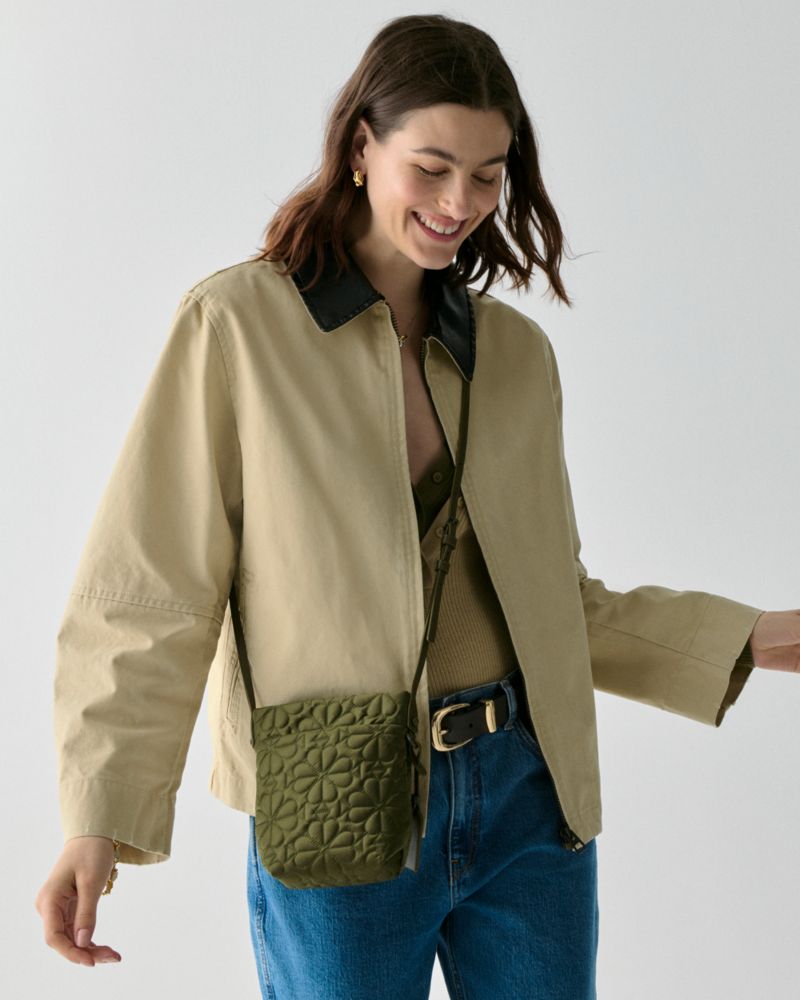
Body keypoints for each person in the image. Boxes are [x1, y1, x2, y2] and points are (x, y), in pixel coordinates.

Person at [35, 12, 800, 999]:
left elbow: (550, 602)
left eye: (487, 175)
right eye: (431, 168)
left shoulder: (514, 356)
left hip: (527, 795)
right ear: (362, 147)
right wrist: (97, 816)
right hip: (336, 794)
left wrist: (753, 637)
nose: (459, 203)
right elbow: (150, 590)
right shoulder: (237, 329)